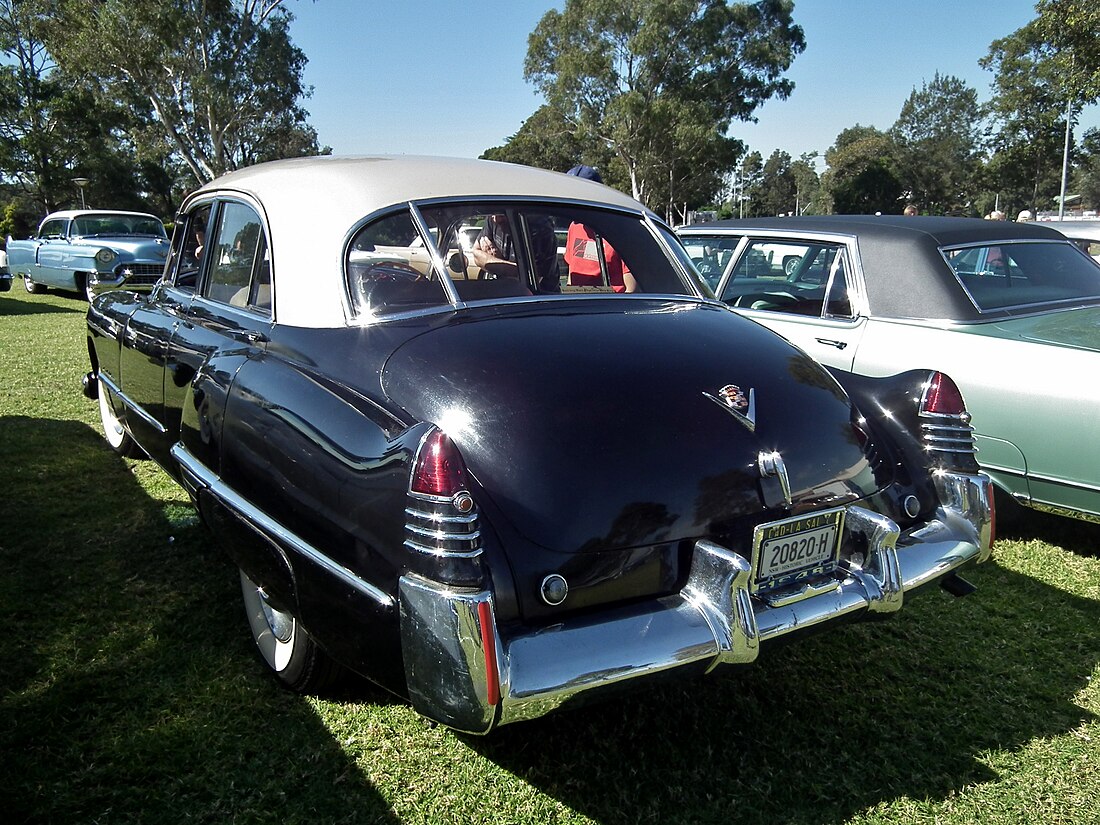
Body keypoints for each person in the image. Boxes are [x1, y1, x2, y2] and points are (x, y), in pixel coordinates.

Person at [563, 165, 637, 292]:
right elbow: (572, 276)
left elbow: (631, 290)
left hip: (608, 306)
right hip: (576, 305)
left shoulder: (620, 232)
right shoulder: (574, 227)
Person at [470, 212, 560, 292]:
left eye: (501, 214)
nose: (496, 219)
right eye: (493, 214)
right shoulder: (492, 219)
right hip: (505, 293)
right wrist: (514, 269)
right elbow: (476, 255)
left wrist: (496, 261)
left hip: (540, 301)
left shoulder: (540, 228)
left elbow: (531, 280)